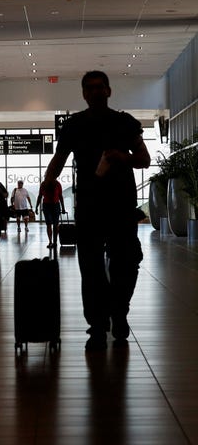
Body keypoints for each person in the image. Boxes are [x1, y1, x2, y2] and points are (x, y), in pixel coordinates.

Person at [44, 70, 150, 351]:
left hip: (121, 205)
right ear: (83, 94)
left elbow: (144, 158)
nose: (95, 92)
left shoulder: (125, 123)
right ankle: (98, 324)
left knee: (126, 263)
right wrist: (48, 181)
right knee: (90, 268)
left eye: (99, 87)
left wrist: (121, 157)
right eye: (89, 88)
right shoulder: (74, 125)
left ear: (109, 91)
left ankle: (118, 312)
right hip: (90, 206)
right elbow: (60, 158)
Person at [36, 176, 66, 248]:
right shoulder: (44, 184)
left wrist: (63, 207)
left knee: (55, 225)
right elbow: (40, 196)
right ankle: (50, 242)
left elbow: (60, 196)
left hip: (55, 205)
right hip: (47, 206)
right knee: (49, 224)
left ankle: (54, 242)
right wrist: (36, 206)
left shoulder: (57, 184)